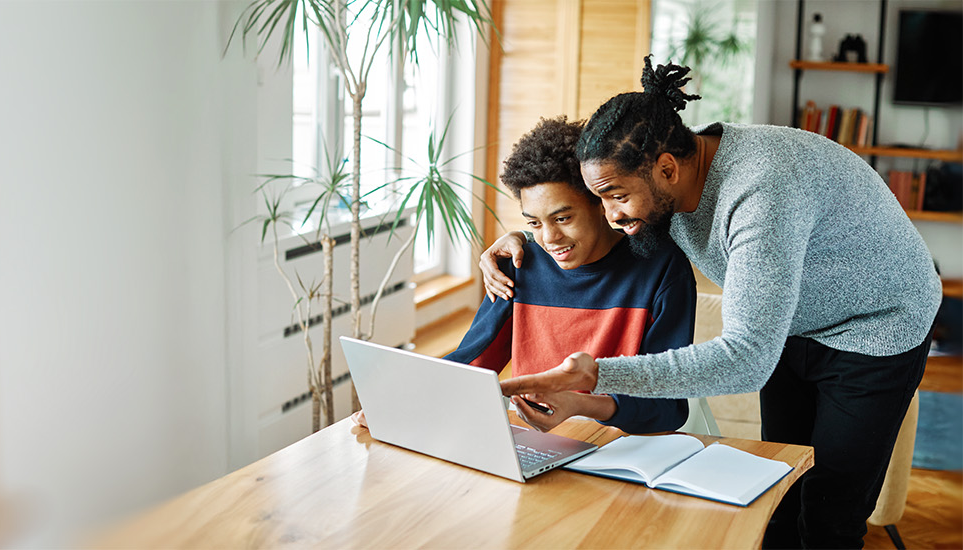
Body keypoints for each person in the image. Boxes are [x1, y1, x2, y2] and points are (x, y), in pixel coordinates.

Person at [479, 58, 941, 548]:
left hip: (877, 324)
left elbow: (746, 360)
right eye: (601, 200)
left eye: (614, 198)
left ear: (667, 169)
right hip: (791, 323)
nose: (610, 215)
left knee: (831, 511)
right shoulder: (658, 172)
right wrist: (523, 241)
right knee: (781, 486)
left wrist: (596, 374)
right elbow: (593, 233)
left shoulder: (761, 190)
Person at [354, 116, 696, 435]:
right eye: (533, 223)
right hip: (537, 447)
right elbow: (472, 362)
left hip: (623, 447)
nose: (548, 239)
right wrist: (400, 401)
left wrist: (579, 404)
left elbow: (667, 408)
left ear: (600, 201)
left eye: (563, 219)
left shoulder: (662, 269)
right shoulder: (518, 264)